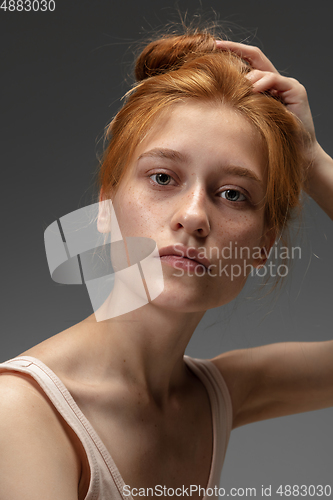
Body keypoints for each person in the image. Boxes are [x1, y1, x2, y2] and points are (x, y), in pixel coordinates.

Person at [0, 28, 332, 500]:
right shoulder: (20, 413)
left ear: (263, 244)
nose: (194, 216)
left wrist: (314, 162)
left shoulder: (217, 396)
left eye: (233, 194)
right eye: (162, 177)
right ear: (105, 206)